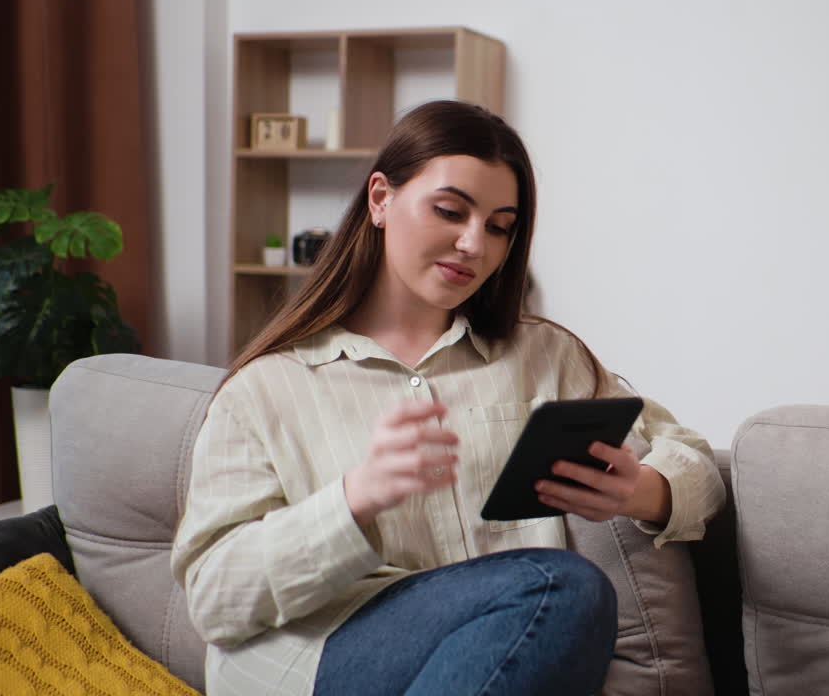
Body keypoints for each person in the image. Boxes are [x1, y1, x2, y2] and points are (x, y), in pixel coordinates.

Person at [171, 100, 726, 696]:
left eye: (498, 227)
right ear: (380, 199)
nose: (473, 244)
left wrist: (641, 489)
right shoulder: (263, 388)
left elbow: (696, 465)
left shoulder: (545, 356)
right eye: (450, 211)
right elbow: (213, 597)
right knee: (562, 587)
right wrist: (353, 502)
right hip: (324, 660)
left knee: (567, 595)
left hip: (505, 655)